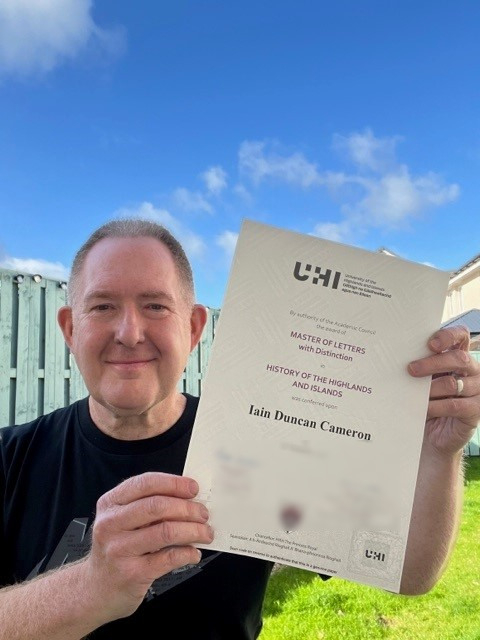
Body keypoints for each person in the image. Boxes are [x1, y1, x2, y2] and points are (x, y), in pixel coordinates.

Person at [0, 218, 479, 640]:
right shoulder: (10, 457)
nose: (129, 332)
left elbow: (410, 574)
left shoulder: (263, 443)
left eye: (155, 306)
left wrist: (439, 452)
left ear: (193, 328)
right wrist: (91, 587)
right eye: (102, 306)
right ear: (69, 328)